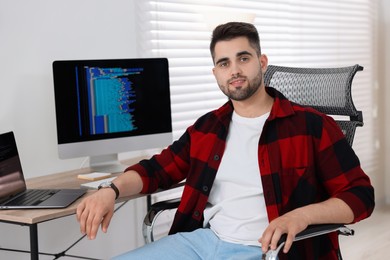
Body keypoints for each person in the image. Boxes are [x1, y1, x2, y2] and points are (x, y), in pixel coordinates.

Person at [76, 22, 375, 260]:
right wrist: (111, 190)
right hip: (201, 244)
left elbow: (360, 196)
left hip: (268, 251)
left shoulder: (311, 126)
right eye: (224, 63)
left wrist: (301, 216)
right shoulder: (209, 128)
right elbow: (156, 170)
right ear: (215, 73)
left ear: (262, 62)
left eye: (243, 58)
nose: (234, 70)